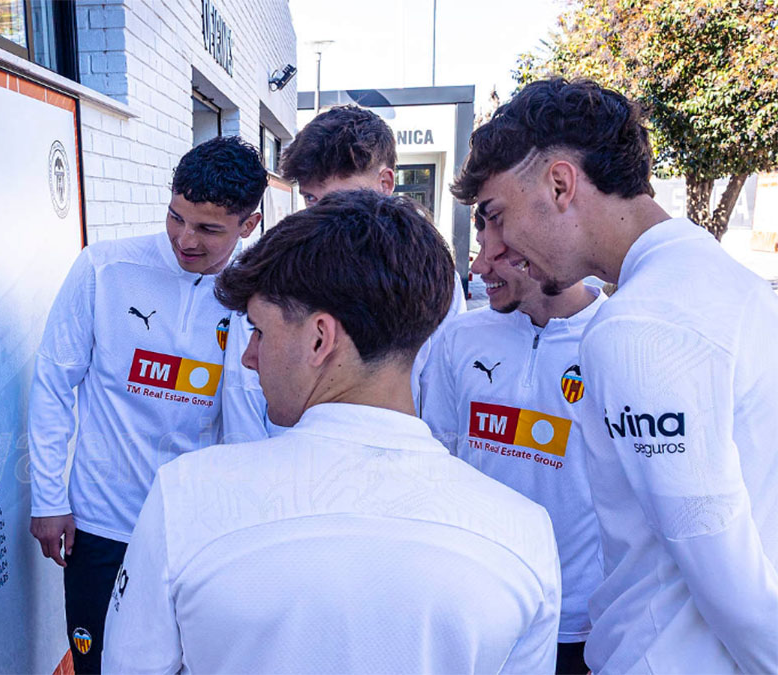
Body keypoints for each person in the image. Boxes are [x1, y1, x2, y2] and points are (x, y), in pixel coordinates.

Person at [102, 190, 561, 673]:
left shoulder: (186, 497)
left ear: (320, 338)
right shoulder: (523, 533)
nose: (248, 356)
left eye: (259, 330)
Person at [451, 77, 778, 673]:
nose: (496, 249)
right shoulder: (723, 286)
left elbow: (722, 566)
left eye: (497, 216)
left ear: (559, 184)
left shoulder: (642, 327)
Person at [28, 136, 269, 673]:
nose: (185, 239)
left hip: (199, 529)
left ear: (248, 225)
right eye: (176, 217)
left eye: (208, 229)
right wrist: (47, 499)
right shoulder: (104, 269)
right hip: (102, 523)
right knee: (97, 665)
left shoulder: (261, 292)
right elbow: (53, 382)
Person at [421, 213, 606, 674]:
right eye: (480, 249)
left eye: (498, 255)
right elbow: (438, 466)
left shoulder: (615, 338)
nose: (480, 267)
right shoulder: (461, 337)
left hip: (580, 621)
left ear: (548, 247)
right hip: (478, 605)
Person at [279, 104, 466, 407]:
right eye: (311, 199)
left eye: (340, 199)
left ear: (385, 184)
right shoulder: (288, 269)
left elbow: (441, 390)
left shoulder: (430, 276)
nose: (325, 217)